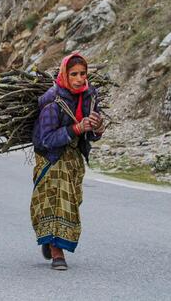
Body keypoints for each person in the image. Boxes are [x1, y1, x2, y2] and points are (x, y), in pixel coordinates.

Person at [31, 52, 105, 270]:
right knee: (55, 203)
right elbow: (46, 140)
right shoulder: (52, 102)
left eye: (83, 73)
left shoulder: (90, 96)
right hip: (51, 158)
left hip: (73, 158)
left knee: (72, 202)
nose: (80, 78)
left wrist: (97, 128)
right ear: (65, 74)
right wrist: (76, 128)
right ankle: (57, 253)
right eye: (74, 74)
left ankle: (51, 240)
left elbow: (91, 133)